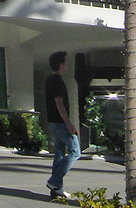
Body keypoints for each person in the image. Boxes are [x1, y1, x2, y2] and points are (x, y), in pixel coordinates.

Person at [45, 51, 80, 200]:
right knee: (75, 152)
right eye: (65, 61)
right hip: (60, 124)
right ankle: (53, 182)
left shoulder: (49, 79)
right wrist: (69, 124)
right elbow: (59, 104)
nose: (67, 64)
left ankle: (57, 189)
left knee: (59, 154)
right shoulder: (58, 81)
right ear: (60, 64)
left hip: (53, 123)